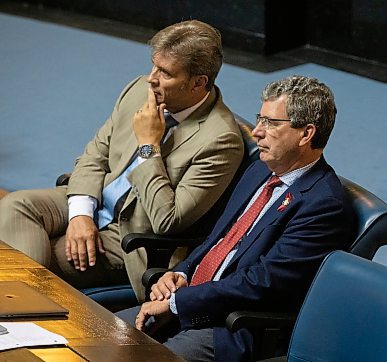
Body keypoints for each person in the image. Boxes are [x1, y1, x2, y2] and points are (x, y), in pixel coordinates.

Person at [0, 20, 244, 301]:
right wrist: (81, 214)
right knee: (15, 206)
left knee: (25, 256)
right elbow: (95, 153)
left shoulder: (221, 141)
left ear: (198, 82)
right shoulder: (140, 90)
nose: (152, 78)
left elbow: (168, 221)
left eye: (165, 73)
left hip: (130, 233)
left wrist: (148, 146)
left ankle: (23, 314)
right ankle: (24, 310)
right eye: (154, 65)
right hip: (97, 198)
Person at [116, 75, 354, 361]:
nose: (257, 132)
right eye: (259, 119)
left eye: (271, 123)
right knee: (95, 336)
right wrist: (180, 273)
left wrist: (180, 303)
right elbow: (217, 241)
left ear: (306, 134)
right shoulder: (259, 170)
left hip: (231, 326)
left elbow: (262, 283)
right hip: (192, 299)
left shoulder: (324, 205)